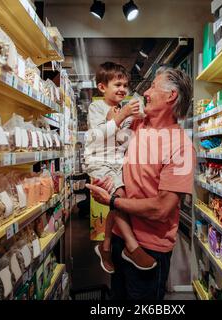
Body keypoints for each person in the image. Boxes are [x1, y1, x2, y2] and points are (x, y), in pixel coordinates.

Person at [87, 66, 195, 300]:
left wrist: (113, 201)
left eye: (153, 87)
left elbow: (162, 208)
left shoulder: (182, 147)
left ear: (171, 96)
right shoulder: (137, 126)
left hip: (149, 248)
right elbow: (104, 139)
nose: (145, 92)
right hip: (119, 239)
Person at [84, 62, 157, 275]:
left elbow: (141, 119)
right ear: (102, 87)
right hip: (99, 162)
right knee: (120, 198)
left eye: (125, 85)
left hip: (118, 162)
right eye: (117, 84)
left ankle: (105, 247)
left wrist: (143, 111)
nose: (122, 89)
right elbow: (99, 136)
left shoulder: (124, 107)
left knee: (116, 204)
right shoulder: (96, 108)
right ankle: (132, 247)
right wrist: (122, 115)